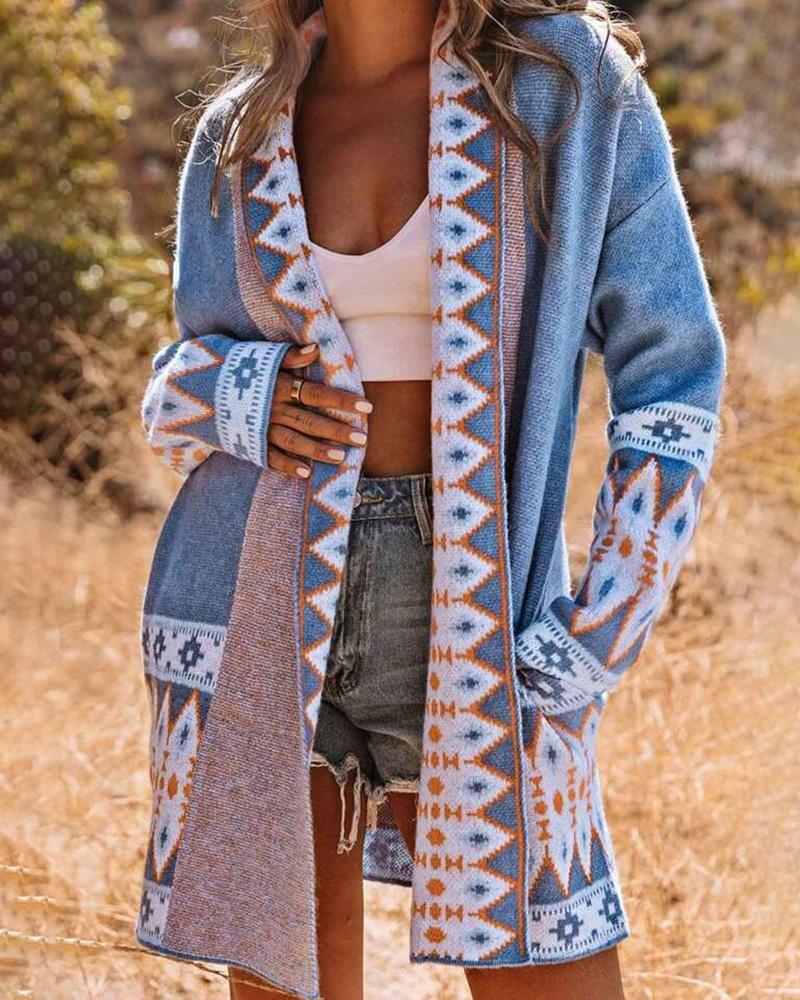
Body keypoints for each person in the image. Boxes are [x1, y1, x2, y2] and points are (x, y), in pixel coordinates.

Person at [135, 1, 727, 999]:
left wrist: (597, 632)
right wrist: (241, 392)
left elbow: (673, 369)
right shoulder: (241, 129)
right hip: (260, 599)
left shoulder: (561, 86)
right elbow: (179, 390)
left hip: (475, 615)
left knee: (552, 972)